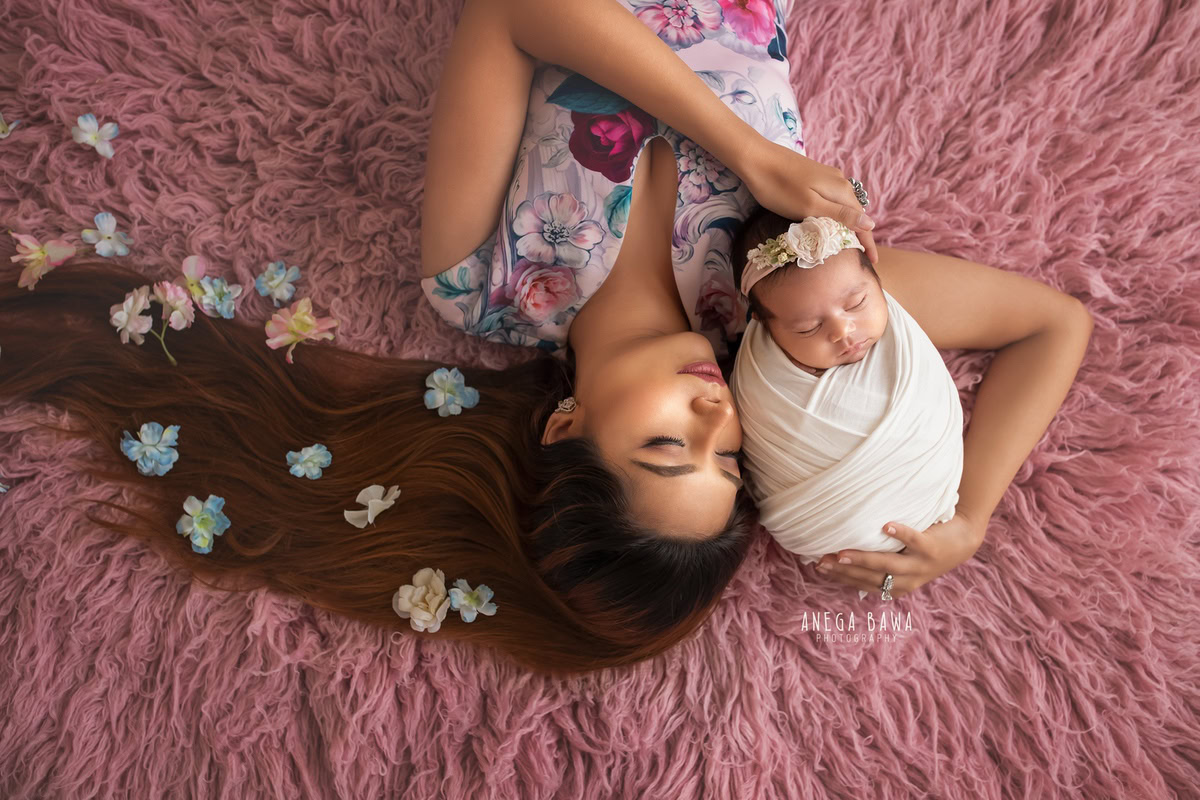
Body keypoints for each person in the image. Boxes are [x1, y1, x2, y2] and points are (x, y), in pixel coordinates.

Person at [0, 0, 1093, 675]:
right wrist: (969, 518)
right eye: (729, 457)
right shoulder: (778, 300)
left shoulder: (480, 280)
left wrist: (745, 152)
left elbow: (513, 12)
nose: (716, 412)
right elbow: (1053, 324)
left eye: (668, 446)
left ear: (566, 424)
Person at [727, 213, 964, 601]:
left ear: (876, 279)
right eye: (807, 328)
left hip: (934, 499)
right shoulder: (759, 379)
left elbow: (1060, 322)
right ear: (764, 325)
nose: (842, 331)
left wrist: (970, 523)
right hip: (823, 528)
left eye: (857, 303)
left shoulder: (886, 302)